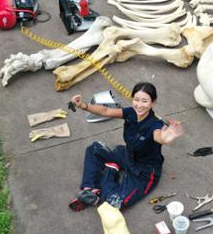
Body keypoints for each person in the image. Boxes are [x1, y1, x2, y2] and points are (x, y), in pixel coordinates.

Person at [68, 82, 184, 211]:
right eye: (136, 100)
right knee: (94, 149)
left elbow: (159, 137)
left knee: (114, 202)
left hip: (143, 172)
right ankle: (91, 190)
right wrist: (83, 105)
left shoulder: (155, 125)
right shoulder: (130, 113)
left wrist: (167, 137)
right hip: (127, 155)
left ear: (153, 102)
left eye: (145, 101)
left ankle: (110, 171)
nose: (139, 105)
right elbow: (106, 111)